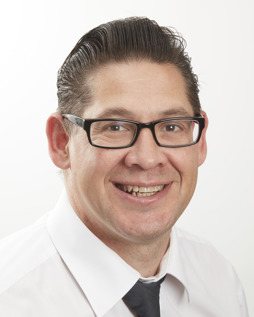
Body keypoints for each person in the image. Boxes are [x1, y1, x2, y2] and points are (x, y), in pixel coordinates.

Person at [0, 17, 248, 316]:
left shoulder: (219, 280)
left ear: (200, 142)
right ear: (61, 142)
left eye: (171, 126)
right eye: (115, 127)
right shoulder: (9, 297)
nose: (146, 158)